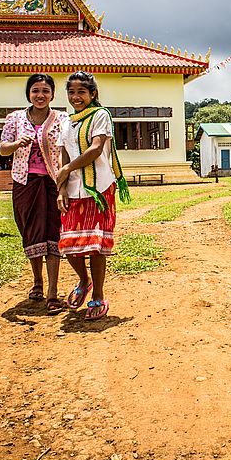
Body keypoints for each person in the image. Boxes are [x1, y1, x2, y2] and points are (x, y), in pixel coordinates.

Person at [55, 71, 130, 321]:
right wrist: (62, 187)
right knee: (69, 245)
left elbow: (96, 149)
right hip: (73, 189)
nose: (76, 97)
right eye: (72, 92)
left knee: (96, 246)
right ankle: (83, 280)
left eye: (81, 92)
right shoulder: (66, 121)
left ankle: (98, 294)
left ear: (93, 94)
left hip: (98, 188)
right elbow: (63, 153)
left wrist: (67, 169)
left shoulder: (100, 115)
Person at [0, 73, 66, 313]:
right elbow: (3, 148)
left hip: (53, 183)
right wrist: (17, 144)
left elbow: (68, 149)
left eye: (45, 91)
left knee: (54, 233)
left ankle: (53, 292)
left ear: (52, 94)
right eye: (35, 90)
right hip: (25, 183)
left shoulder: (62, 119)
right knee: (31, 232)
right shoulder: (15, 118)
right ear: (29, 93)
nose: (40, 95)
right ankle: (37, 281)